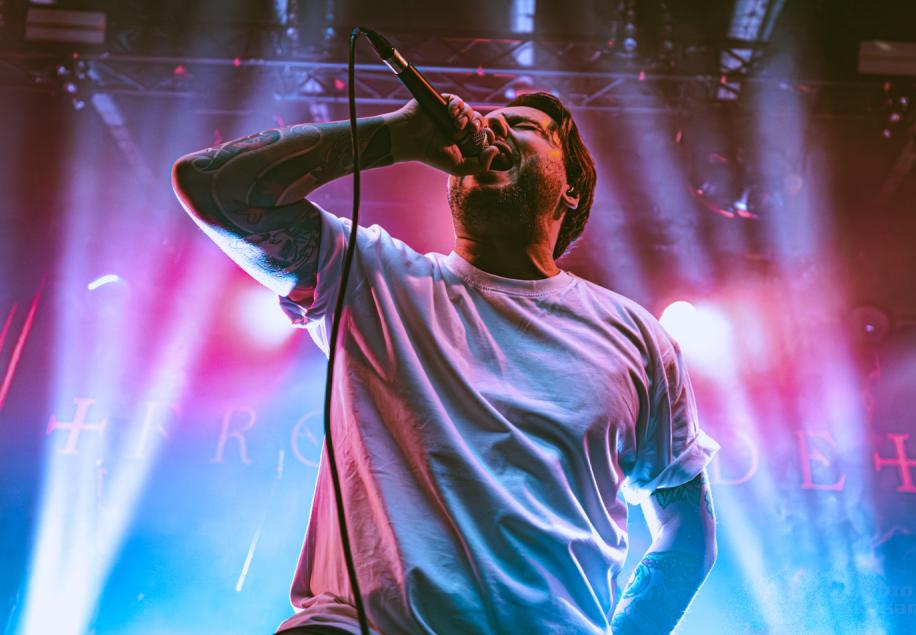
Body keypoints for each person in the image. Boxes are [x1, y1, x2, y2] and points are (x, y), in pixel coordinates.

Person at [171, 91, 720, 635]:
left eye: (523, 126)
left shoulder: (635, 337)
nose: (492, 128)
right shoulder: (372, 275)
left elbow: (688, 533)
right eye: (489, 120)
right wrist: (397, 135)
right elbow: (211, 185)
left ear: (570, 189)